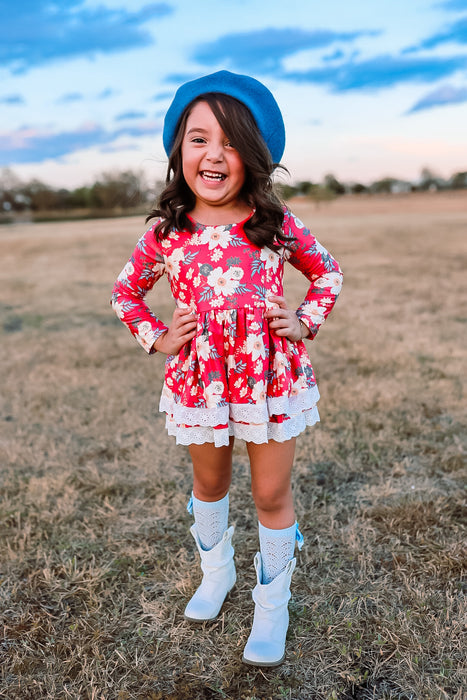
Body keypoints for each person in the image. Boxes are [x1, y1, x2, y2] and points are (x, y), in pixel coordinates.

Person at [111, 70, 343, 667]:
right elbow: (125, 294)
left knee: (270, 492)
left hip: (271, 378)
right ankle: (217, 574)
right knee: (210, 484)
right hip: (202, 381)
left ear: (256, 155)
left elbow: (328, 273)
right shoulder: (168, 233)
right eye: (198, 138)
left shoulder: (274, 223)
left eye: (232, 141)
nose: (214, 155)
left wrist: (304, 320)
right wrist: (157, 337)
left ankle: (273, 605)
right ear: (178, 150)